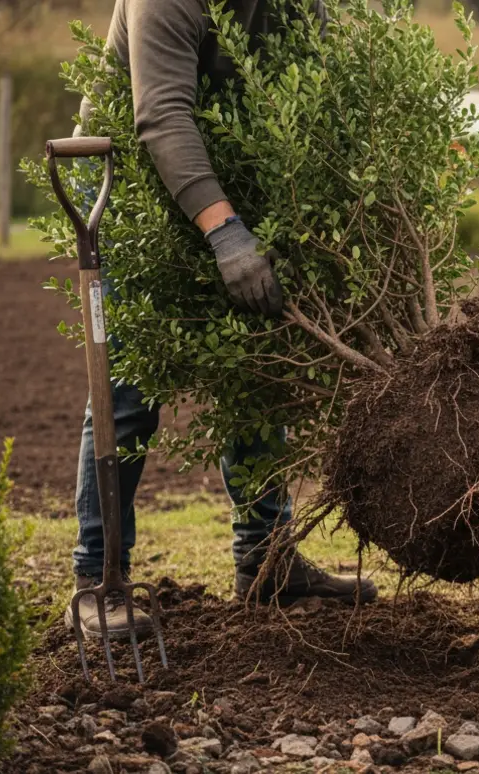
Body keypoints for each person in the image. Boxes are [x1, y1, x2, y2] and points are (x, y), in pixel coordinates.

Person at [65, 0, 377, 643]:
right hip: (135, 197)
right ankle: (98, 579)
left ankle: (267, 563)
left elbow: (314, 92)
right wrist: (226, 232)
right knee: (127, 394)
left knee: (262, 376)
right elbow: (162, 117)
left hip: (235, 183)